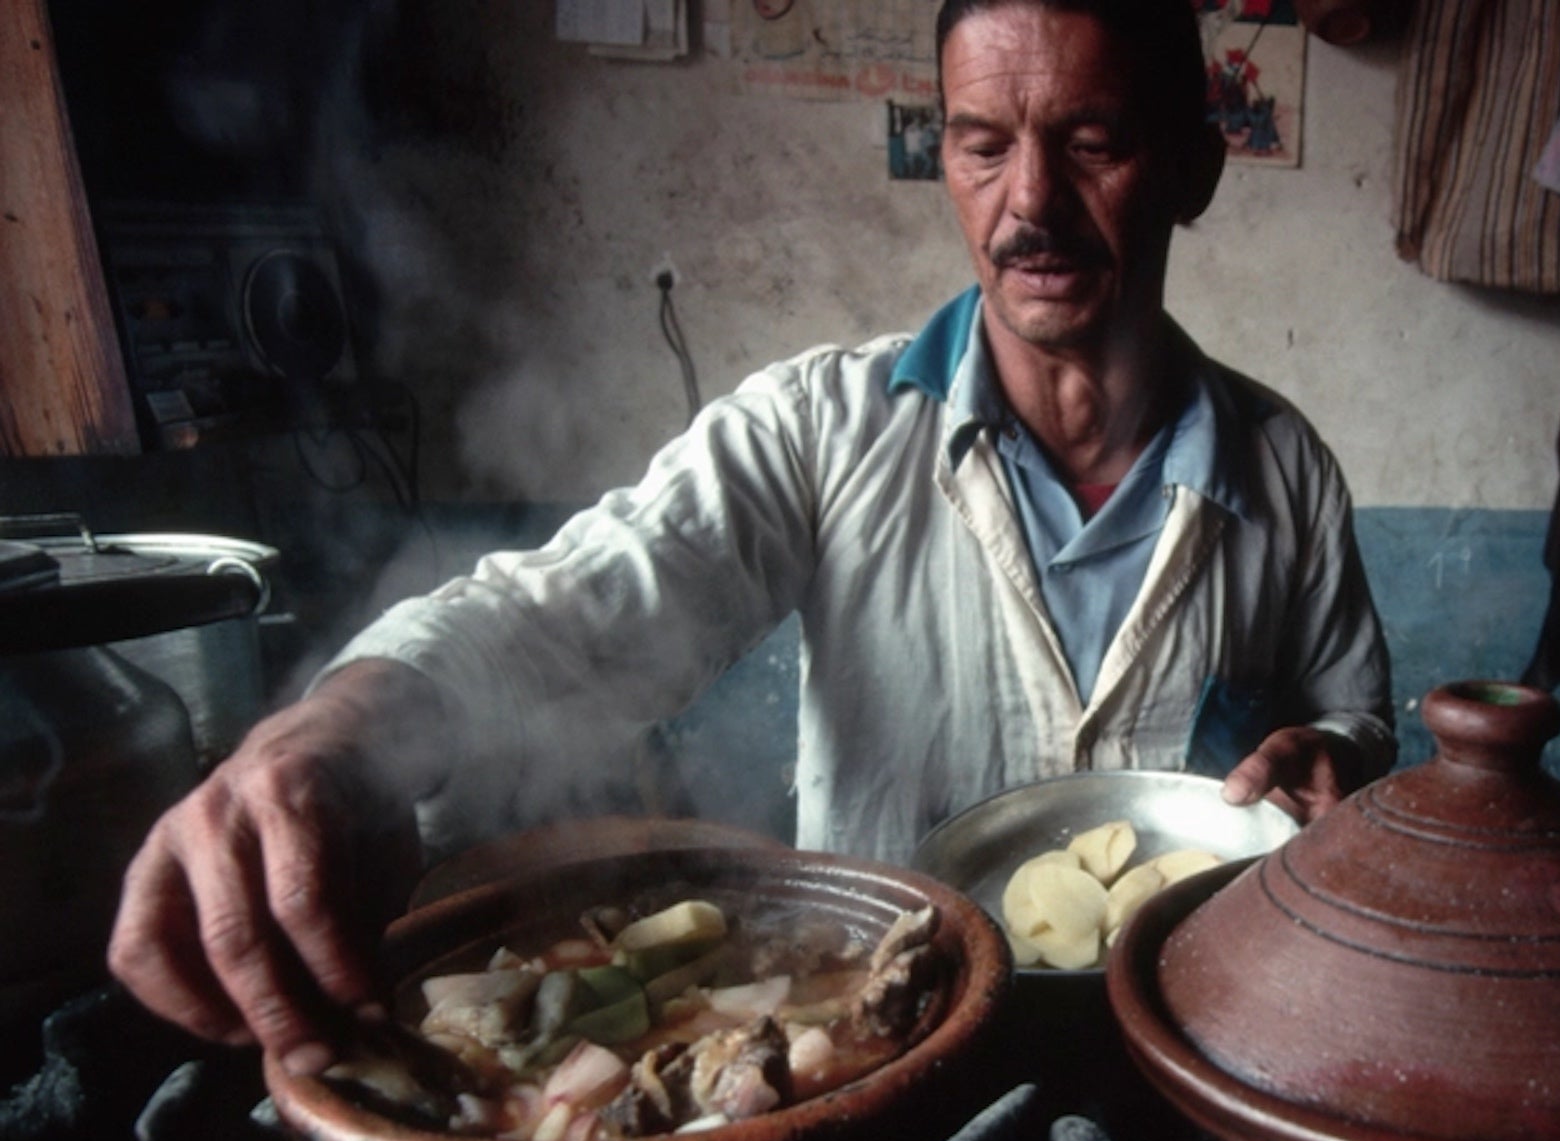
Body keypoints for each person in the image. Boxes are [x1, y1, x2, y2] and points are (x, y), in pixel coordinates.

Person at [108, 0, 1395, 1080]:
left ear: (1193, 168)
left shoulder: (1283, 469)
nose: (1029, 204)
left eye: (1093, 143)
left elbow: (1357, 729)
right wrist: (339, 731)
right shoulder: (819, 430)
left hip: (1185, 1059)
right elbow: (576, 608)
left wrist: (1334, 757)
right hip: (883, 1064)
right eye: (981, 145)